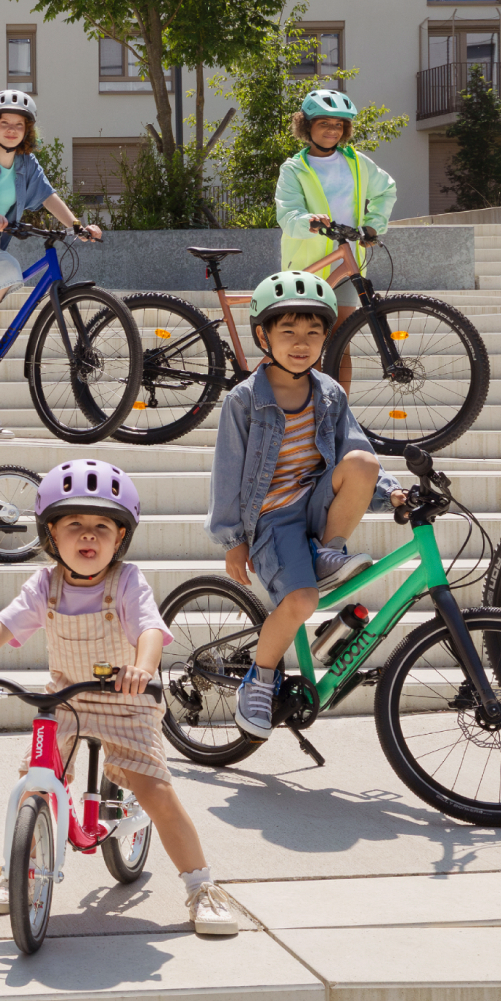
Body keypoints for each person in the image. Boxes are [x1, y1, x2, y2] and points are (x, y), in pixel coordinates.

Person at [0, 460, 242, 937]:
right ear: (51, 535)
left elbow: (148, 627)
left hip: (127, 700)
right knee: (33, 784)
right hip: (67, 700)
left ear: (119, 538)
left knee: (156, 792)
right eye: (74, 525)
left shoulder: (126, 581)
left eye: (102, 526)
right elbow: (4, 623)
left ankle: (201, 888)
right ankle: (15, 869)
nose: (88, 536)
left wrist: (143, 667)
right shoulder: (45, 585)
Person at [206, 270, 390, 744]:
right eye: (287, 332)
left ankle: (329, 551)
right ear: (263, 336)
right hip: (272, 517)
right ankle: (261, 677)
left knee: (364, 463)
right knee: (302, 602)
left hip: (315, 502)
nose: (301, 343)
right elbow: (227, 472)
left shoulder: (329, 392)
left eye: (313, 332)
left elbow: (354, 443)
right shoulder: (245, 400)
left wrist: (395, 492)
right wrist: (233, 540)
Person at [0, 88, 103, 437]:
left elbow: (48, 196)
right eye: (4, 123)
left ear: (27, 130)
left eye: (19, 125)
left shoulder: (27, 163)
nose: (11, 130)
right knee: (10, 272)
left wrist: (76, 226)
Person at [272, 87, 397, 388]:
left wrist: (372, 225)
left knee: (341, 345)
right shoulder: (294, 169)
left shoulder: (357, 162)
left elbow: (386, 190)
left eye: (338, 125)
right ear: (307, 126)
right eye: (324, 123)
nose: (332, 130)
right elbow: (287, 215)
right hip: (307, 268)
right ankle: (304, 416)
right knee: (307, 346)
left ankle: (340, 419)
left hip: (346, 263)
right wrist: (308, 221)